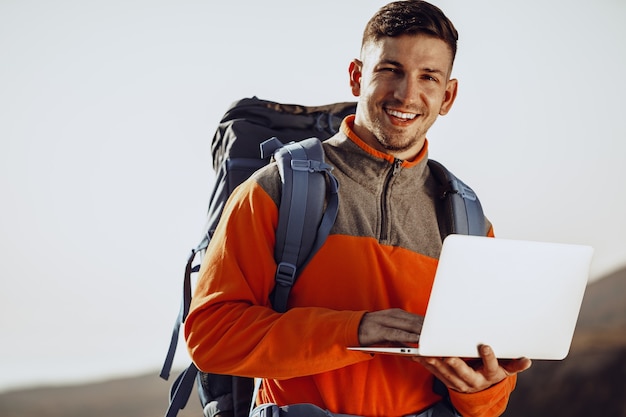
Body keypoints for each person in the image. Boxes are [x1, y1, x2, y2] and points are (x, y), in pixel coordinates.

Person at [184, 1, 532, 416]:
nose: (407, 94)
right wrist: (354, 330)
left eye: (428, 77)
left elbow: (486, 401)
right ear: (356, 76)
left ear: (448, 96)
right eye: (391, 70)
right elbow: (212, 337)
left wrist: (483, 391)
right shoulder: (274, 190)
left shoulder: (469, 223)